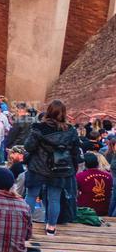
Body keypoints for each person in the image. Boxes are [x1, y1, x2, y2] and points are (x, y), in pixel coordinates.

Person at [24, 100, 82, 235]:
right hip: (60, 168)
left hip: (38, 166)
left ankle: (25, 226)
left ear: (48, 112)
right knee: (54, 198)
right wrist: (73, 168)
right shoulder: (70, 131)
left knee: (31, 196)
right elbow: (75, 152)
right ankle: (51, 228)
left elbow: (28, 146)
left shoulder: (38, 128)